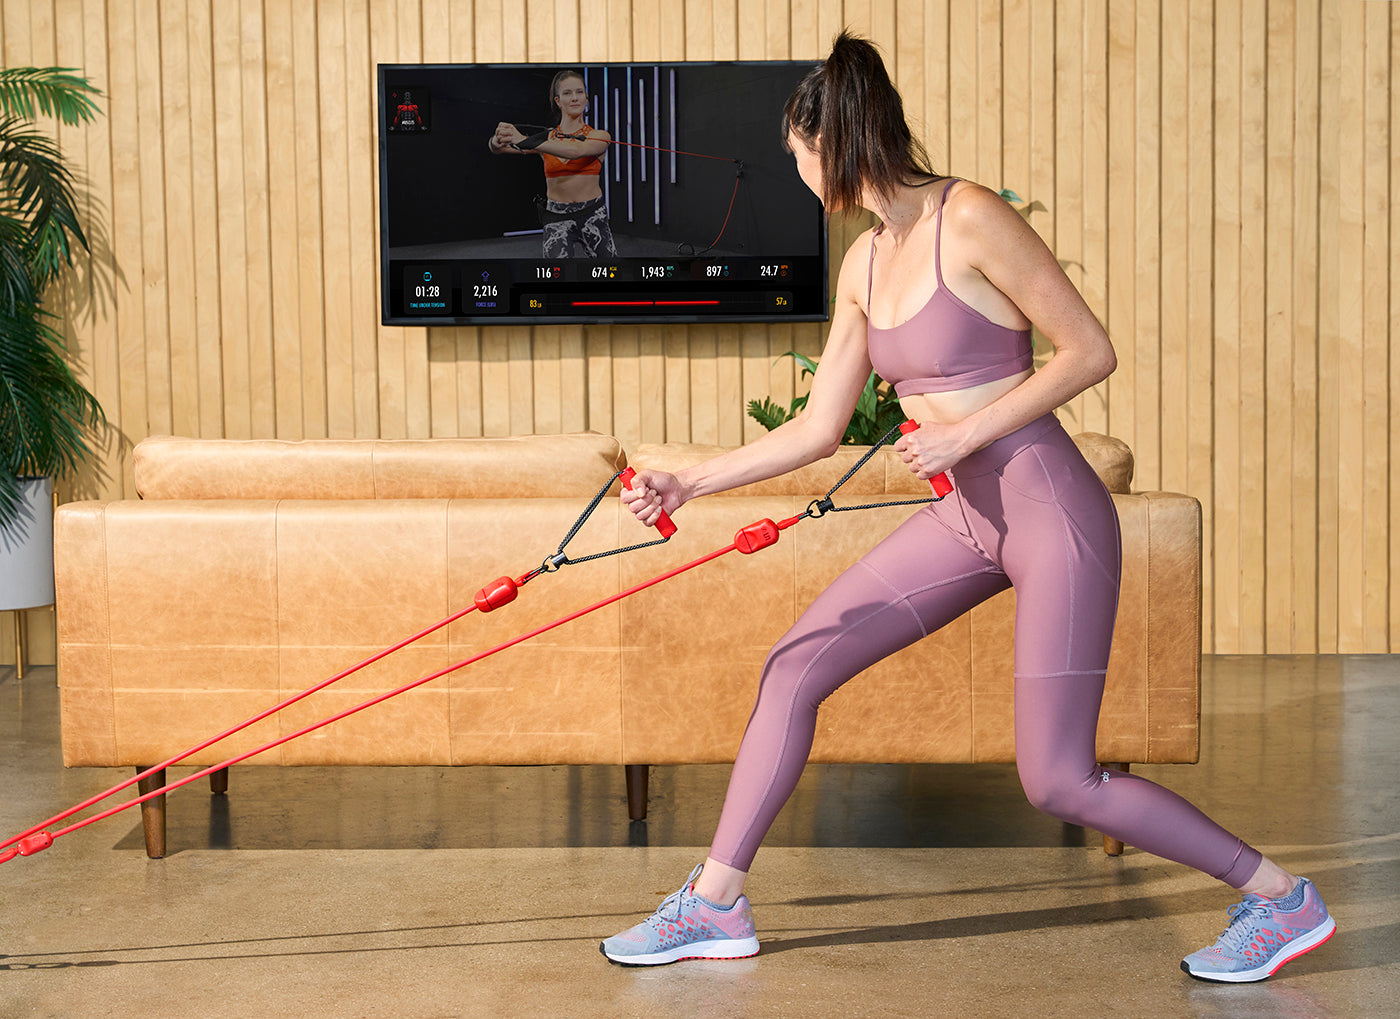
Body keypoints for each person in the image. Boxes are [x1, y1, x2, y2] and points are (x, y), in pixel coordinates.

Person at [601, 31, 1334, 983]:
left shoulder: (970, 217)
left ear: (837, 143)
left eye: (796, 152)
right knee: (796, 663)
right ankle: (713, 903)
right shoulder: (864, 263)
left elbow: (1088, 351)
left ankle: (1280, 898)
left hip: (1050, 511)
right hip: (963, 520)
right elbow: (819, 426)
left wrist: (963, 432)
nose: (793, 168)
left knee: (1057, 779)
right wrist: (688, 479)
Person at [489, 69, 617, 258]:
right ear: (558, 101)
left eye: (579, 92)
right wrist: (496, 140)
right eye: (567, 93)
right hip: (556, 216)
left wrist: (524, 139)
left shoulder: (599, 135)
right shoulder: (545, 139)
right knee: (555, 278)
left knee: (611, 275)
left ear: (586, 98)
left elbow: (576, 151)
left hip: (593, 215)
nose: (574, 98)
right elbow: (498, 149)